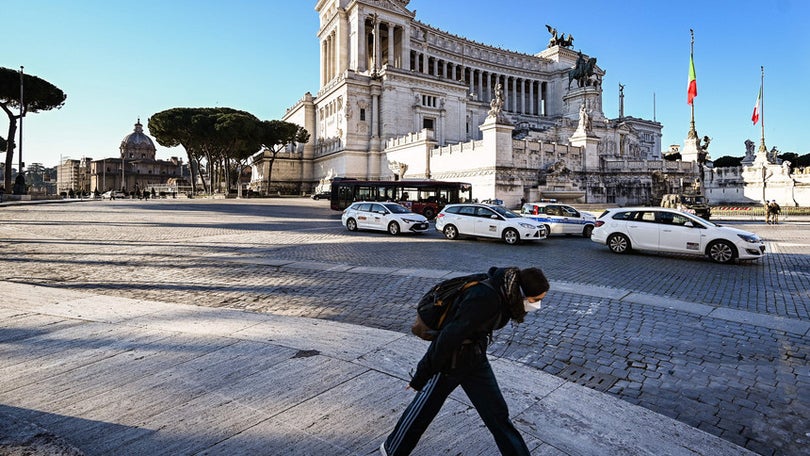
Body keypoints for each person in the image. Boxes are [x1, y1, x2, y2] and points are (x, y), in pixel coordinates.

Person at [381, 266, 550, 456]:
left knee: (498, 414)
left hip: (475, 359)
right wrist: (421, 376)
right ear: (521, 293)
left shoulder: (505, 291)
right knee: (423, 412)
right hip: (451, 361)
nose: (537, 305)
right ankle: (392, 449)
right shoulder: (486, 299)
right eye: (536, 300)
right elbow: (447, 338)